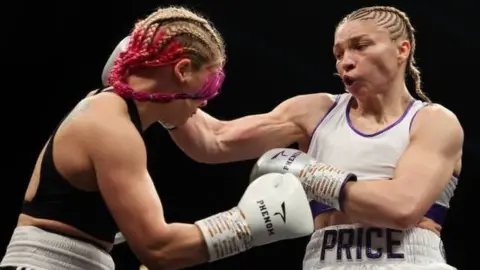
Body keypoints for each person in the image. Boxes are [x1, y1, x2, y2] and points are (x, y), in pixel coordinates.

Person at [104, 5, 463, 270]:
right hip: (325, 261)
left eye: (361, 46)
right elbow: (215, 140)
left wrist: (309, 174)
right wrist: (159, 87)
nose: (345, 61)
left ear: (402, 49)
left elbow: (402, 209)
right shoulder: (317, 112)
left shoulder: (433, 122)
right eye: (339, 53)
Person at [0, 6, 316, 270]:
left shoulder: (111, 110)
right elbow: (159, 249)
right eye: (207, 87)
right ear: (182, 70)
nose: (204, 102)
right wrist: (246, 225)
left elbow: (211, 138)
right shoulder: (111, 128)